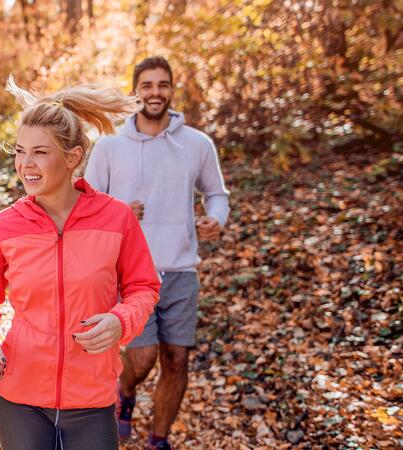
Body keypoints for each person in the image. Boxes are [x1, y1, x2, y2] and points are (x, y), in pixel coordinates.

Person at [0, 76, 160, 449]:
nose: (25, 164)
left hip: (92, 399)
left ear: (72, 157)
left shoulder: (115, 218)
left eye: (40, 152)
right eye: (20, 151)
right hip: (20, 395)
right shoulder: (4, 227)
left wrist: (121, 321)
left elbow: (143, 288)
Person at [84, 56, 231, 450]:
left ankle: (159, 439)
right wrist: (116, 210)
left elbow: (216, 194)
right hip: (131, 271)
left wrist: (216, 218)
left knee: (176, 360)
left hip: (182, 268)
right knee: (144, 356)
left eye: (162, 84)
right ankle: (125, 390)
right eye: (147, 85)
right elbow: (86, 203)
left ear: (171, 89)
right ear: (136, 92)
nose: (155, 92)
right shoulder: (110, 144)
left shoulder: (197, 144)